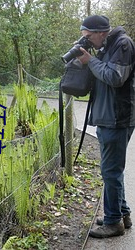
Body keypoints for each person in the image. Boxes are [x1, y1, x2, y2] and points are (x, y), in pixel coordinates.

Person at [77, 15, 135, 238]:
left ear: (101, 32)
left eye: (89, 37)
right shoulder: (106, 46)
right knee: (112, 171)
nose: (88, 41)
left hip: (117, 118)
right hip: (107, 117)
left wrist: (90, 61)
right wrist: (87, 60)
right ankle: (122, 214)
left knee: (110, 171)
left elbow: (114, 77)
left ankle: (113, 223)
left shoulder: (123, 44)